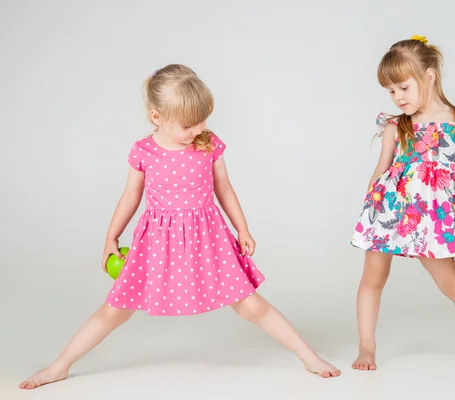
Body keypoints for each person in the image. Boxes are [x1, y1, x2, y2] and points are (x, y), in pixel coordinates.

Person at [20, 64, 340, 390]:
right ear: (157, 117)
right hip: (157, 241)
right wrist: (111, 237)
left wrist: (242, 229)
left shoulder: (208, 143)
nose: (198, 128)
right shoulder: (144, 151)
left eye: (204, 119)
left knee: (250, 304)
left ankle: (308, 356)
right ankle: (59, 366)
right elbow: (131, 195)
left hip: (207, 237)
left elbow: (224, 188)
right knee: (115, 310)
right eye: (189, 123)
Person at [350, 35, 455, 370]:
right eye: (391, 91)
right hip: (390, 211)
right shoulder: (396, 125)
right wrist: (371, 209)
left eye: (403, 88)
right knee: (372, 279)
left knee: (454, 285)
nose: (397, 97)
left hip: (435, 218)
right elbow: (382, 169)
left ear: (428, 76)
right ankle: (366, 348)